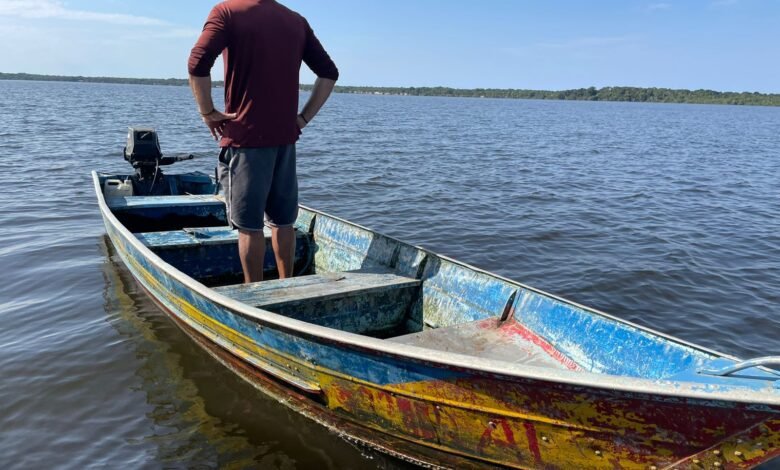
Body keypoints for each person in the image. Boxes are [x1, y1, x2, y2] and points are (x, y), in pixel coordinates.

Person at [188, 0, 338, 283]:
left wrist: (207, 111)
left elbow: (197, 63)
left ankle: (255, 293)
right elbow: (329, 73)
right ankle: (287, 285)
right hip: (285, 141)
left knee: (249, 226)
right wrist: (302, 119)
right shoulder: (295, 21)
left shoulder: (227, 12)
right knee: (284, 222)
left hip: (245, 142)